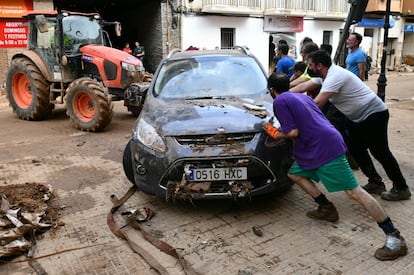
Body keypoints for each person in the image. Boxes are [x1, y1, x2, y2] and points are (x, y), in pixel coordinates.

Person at [263, 72, 407, 261]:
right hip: (318, 146)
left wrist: (275, 133)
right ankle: (326, 207)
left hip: (324, 148)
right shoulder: (299, 96)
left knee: (354, 192)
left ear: (272, 90)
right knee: (294, 174)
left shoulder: (279, 101)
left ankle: (394, 236)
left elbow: (293, 132)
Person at [291, 50, 412, 201]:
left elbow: (316, 105)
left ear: (319, 66)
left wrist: (293, 115)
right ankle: (375, 182)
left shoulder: (334, 77)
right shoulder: (325, 75)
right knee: (355, 149)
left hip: (374, 115)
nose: (309, 69)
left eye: (310, 65)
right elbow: (302, 86)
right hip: (357, 118)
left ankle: (402, 188)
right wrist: (281, 96)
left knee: (380, 152)